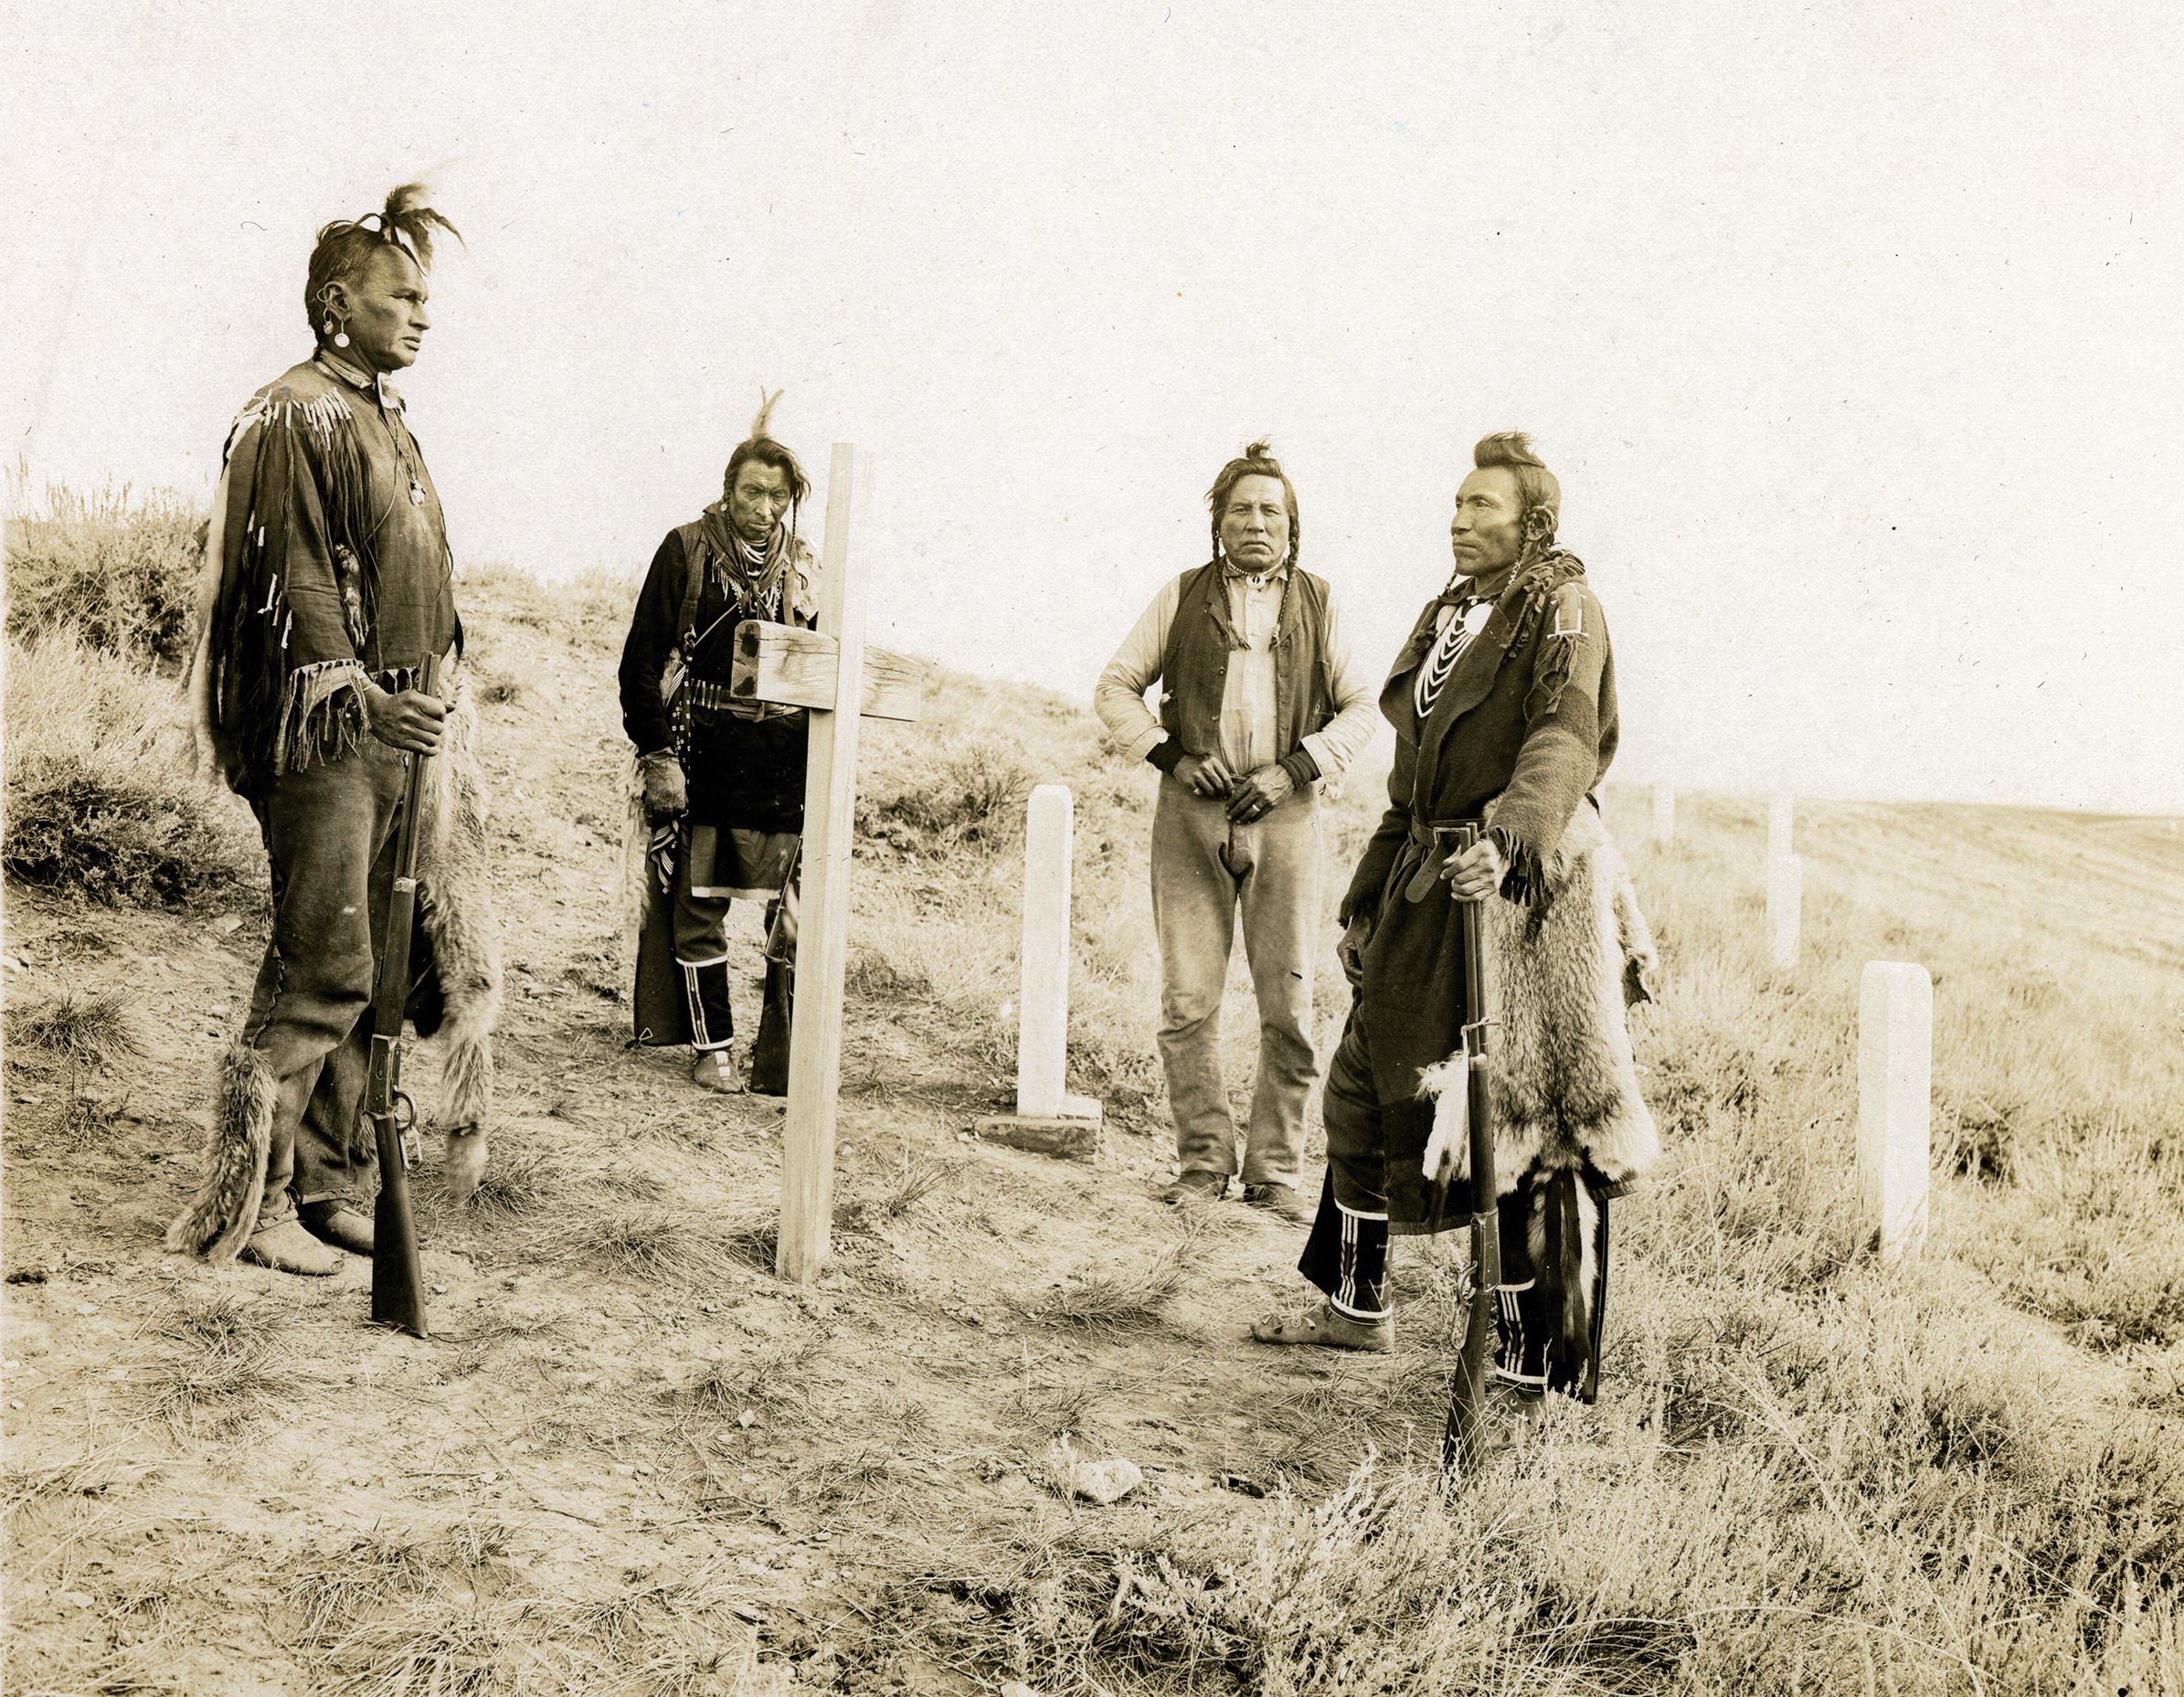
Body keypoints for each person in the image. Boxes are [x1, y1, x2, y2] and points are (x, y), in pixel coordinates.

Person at [1252, 432, 1658, 1417]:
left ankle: (1529, 1363)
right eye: (1454, 504)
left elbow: (1562, 737)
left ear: (1532, 522)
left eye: (1481, 506)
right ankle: (1354, 1303)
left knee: (1516, 1119)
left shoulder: (1563, 607)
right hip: (1431, 880)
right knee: (1361, 1084)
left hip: (1526, 893)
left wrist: (1509, 840)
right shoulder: (1450, 615)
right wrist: (1367, 896)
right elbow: (1411, 779)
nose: (1458, 519)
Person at [168, 186, 502, 1277]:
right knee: (325, 963)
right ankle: (250, 1207)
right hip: (329, 739)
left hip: (401, 733)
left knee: (388, 966)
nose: (420, 316)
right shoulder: (290, 413)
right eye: (399, 296)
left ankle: (331, 1187)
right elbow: (289, 582)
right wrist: (362, 695)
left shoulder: (382, 420)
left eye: (423, 299)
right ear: (333, 305)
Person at [1095, 440, 1380, 1221]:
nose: (1257, 522)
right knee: (1188, 996)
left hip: (1286, 817)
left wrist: (1295, 768)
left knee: (1288, 1001)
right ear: (1218, 522)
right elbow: (1115, 687)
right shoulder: (1183, 594)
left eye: (1272, 511)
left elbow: (1363, 706)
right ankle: (1201, 1162)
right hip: (1189, 815)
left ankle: (1276, 1169)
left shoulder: (1320, 601)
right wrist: (1172, 755)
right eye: (1241, 508)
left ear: (1293, 527)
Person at [618, 394, 816, 1094]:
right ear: (728, 488)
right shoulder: (685, 549)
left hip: (782, 759)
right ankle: (713, 1049)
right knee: (699, 905)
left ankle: (780, 1060)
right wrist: (657, 755)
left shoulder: (806, 565)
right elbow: (639, 664)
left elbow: (821, 665)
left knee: (789, 911)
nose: (762, 507)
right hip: (700, 745)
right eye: (750, 490)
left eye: (777, 496)